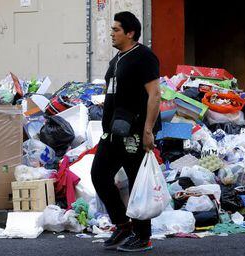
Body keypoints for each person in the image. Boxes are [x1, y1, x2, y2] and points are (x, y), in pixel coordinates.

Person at [91, 11, 161, 252]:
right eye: (111, 29)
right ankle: (123, 225)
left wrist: (148, 131)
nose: (111, 33)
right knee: (99, 175)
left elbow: (155, 94)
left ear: (130, 33)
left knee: (136, 181)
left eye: (116, 29)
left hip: (134, 132)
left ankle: (143, 237)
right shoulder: (116, 60)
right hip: (112, 132)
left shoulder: (144, 57)